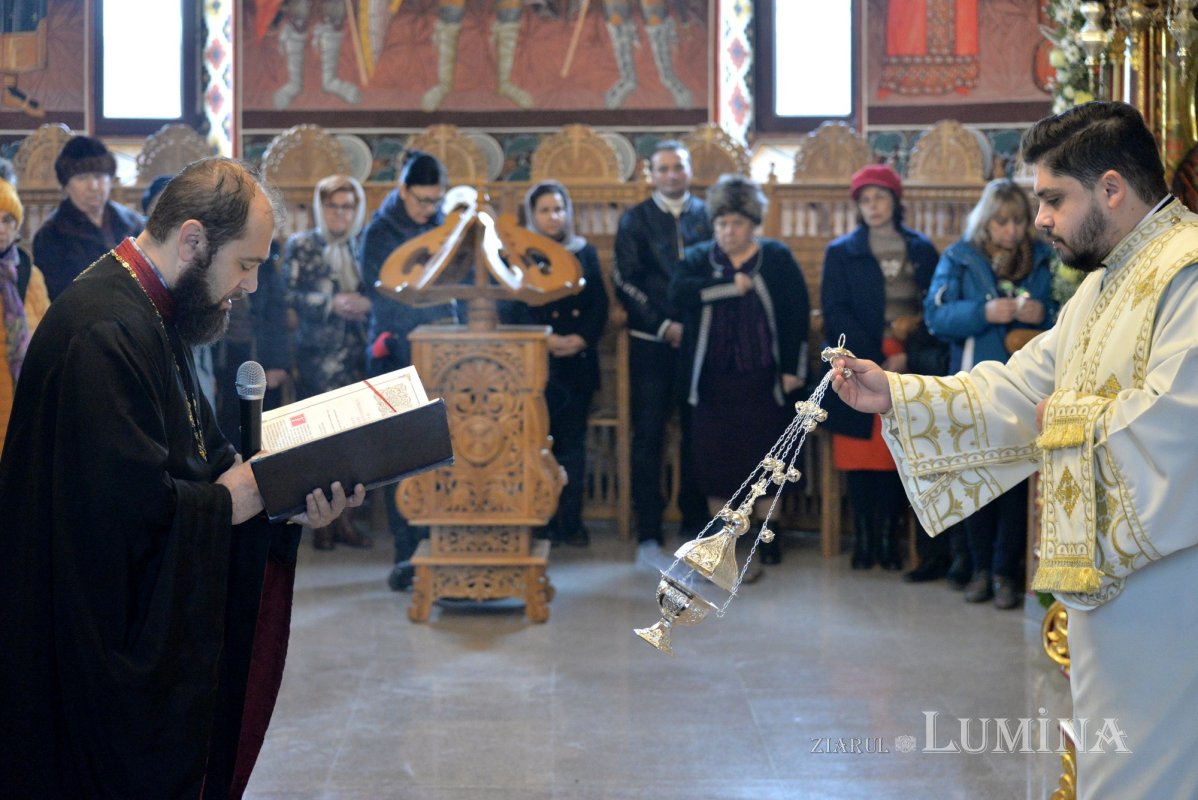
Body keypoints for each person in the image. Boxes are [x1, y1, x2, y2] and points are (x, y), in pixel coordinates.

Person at [830, 101, 1198, 799]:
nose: (1041, 221)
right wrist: (899, 394)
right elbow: (1016, 387)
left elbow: (1181, 428)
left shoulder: (1187, 272)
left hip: (1172, 593)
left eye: (1054, 199)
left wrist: (1065, 423)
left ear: (1113, 189)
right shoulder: (1105, 284)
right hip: (1115, 601)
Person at [0, 157, 365, 798]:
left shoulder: (151, 310)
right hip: (88, 659)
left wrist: (283, 501)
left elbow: (199, 456)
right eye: (246, 265)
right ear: (194, 240)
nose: (250, 287)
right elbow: (123, 526)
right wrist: (241, 496)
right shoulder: (105, 329)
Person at [924, 178, 1057, 608]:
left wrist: (1045, 313)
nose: (1012, 231)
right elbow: (936, 316)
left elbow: (1067, 317)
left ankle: (1005, 573)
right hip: (972, 385)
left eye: (1019, 221)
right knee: (974, 482)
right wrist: (981, 312)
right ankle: (979, 569)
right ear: (986, 221)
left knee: (1015, 484)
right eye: (1002, 222)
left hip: (1024, 388)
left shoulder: (1042, 257)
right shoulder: (960, 258)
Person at [669, 174, 809, 568]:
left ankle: (768, 538)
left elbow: (796, 314)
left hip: (763, 380)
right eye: (722, 223)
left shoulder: (776, 258)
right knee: (715, 460)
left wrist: (792, 370)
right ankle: (723, 537)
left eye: (738, 224)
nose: (729, 231)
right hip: (711, 382)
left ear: (752, 225)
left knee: (767, 459)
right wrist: (732, 285)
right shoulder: (699, 259)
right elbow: (677, 294)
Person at [820, 164, 939, 572]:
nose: (873, 207)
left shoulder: (921, 249)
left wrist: (907, 352)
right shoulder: (841, 251)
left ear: (895, 201)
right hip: (857, 360)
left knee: (896, 455)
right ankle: (864, 540)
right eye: (865, 200)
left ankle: (889, 540)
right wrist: (871, 356)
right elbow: (835, 311)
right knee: (859, 455)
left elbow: (933, 308)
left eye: (880, 198)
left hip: (909, 361)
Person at [360, 150, 459, 590]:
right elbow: (382, 292)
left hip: (442, 354)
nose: (428, 209)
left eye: (435, 201)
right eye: (421, 200)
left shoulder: (443, 224)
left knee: (439, 455)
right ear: (402, 191)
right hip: (395, 354)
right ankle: (406, 556)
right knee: (401, 457)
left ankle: (441, 549)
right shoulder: (379, 231)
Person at [612, 139, 712, 567]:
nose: (672, 175)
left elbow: (715, 272)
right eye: (663, 169)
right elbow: (625, 280)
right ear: (651, 174)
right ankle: (648, 529)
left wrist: (692, 323)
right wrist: (661, 325)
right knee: (649, 435)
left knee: (697, 433)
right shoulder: (635, 220)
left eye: (679, 167)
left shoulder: (707, 217)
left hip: (699, 342)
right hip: (650, 344)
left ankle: (694, 524)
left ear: (689, 170)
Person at [500, 180, 609, 547]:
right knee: (534, 445)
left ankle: (570, 522)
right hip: (535, 367)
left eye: (559, 209)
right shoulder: (517, 253)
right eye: (545, 210)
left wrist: (580, 338)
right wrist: (544, 339)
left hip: (576, 363)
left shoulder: (583, 251)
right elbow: (511, 307)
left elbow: (598, 304)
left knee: (573, 447)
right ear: (533, 214)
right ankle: (539, 521)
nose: (553, 217)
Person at [284, 173, 373, 550]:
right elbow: (287, 295)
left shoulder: (364, 245)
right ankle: (322, 523)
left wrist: (366, 305)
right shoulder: (301, 245)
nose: (340, 213)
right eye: (333, 206)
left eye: (347, 206)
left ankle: (348, 520)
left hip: (358, 355)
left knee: (354, 442)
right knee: (320, 441)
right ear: (322, 208)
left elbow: (380, 292)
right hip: (316, 357)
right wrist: (330, 304)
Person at [34, 135, 144, 300]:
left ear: (110, 180)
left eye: (99, 177)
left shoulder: (134, 223)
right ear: (66, 186)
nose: (93, 186)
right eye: (82, 178)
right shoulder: (51, 234)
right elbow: (59, 298)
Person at [0, 178, 48, 457]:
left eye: (7, 220)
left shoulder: (30, 275)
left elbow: (47, 338)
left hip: (25, 410)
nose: (1, 230)